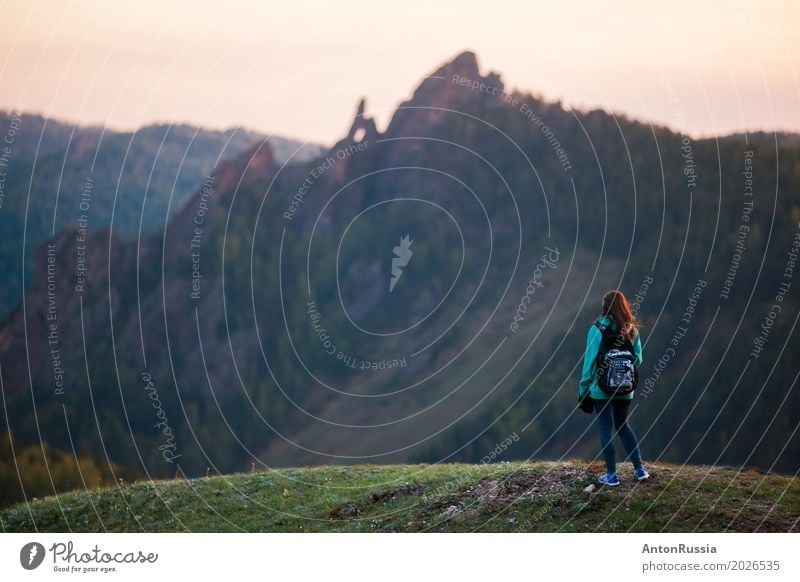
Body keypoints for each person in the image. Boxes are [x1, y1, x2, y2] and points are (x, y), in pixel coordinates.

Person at [579, 289, 649, 486]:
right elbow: (638, 359)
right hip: (626, 389)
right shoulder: (631, 330)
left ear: (604, 307)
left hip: (601, 389)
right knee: (623, 426)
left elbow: (589, 362)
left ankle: (611, 475)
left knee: (605, 428)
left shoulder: (596, 329)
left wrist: (584, 390)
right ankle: (640, 469)